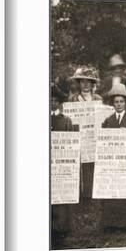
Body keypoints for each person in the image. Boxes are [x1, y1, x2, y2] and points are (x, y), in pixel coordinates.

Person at [99, 84, 126, 230]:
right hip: (112, 164)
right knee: (113, 192)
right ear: (113, 103)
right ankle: (112, 223)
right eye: (116, 102)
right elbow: (103, 144)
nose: (119, 104)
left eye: (121, 102)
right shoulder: (107, 121)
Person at [68, 66, 102, 201]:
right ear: (79, 83)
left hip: (93, 138)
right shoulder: (73, 99)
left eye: (89, 81)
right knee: (80, 166)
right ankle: (80, 194)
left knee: (93, 165)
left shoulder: (98, 98)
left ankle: (92, 193)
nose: (86, 84)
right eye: (83, 81)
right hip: (80, 136)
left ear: (92, 84)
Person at [50, 86, 74, 242]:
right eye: (50, 100)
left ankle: (62, 227)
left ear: (60, 103)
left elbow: (72, 143)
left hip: (62, 163)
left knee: (61, 196)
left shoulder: (65, 120)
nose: (52, 103)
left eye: (55, 100)